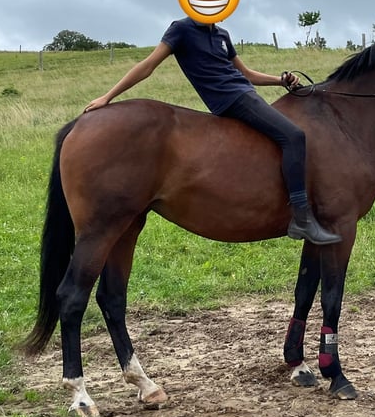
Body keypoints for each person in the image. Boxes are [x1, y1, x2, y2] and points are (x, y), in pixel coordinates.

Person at [84, 17, 341, 246]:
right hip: (232, 100)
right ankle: (302, 217)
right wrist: (107, 97)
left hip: (245, 93)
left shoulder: (221, 35)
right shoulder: (181, 30)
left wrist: (280, 80)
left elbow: (246, 74)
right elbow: (148, 65)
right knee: (294, 136)